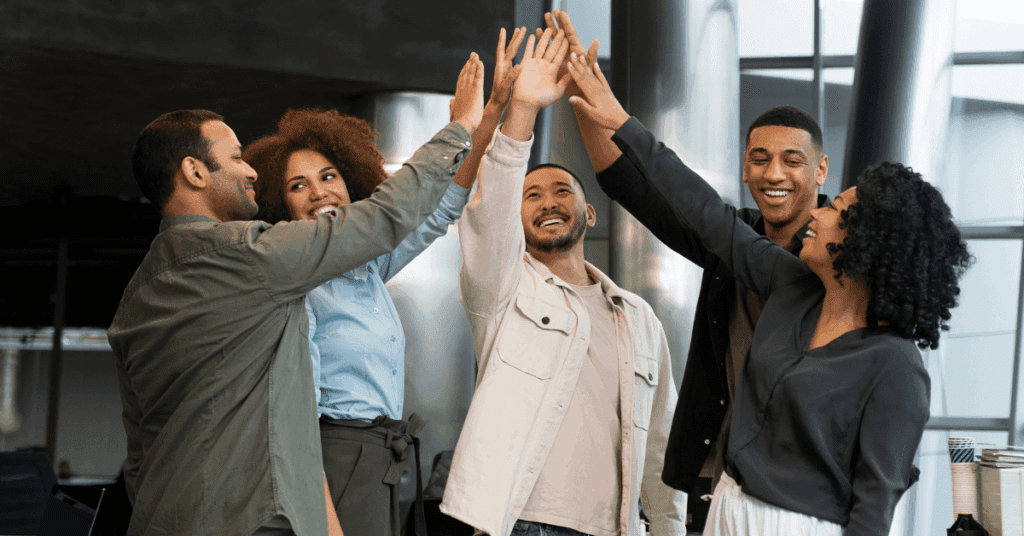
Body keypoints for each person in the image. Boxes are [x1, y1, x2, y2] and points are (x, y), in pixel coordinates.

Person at [565, 51, 972, 536]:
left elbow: (875, 501)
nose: (818, 216)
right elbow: (704, 210)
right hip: (726, 505)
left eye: (836, 210)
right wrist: (622, 122)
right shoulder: (789, 282)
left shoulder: (897, 364)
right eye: (760, 159)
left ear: (867, 246)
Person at [108, 55, 484, 536]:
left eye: (329, 177)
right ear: (195, 171)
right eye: (237, 156)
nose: (249, 172)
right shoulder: (255, 258)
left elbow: (140, 447)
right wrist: (459, 127)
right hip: (256, 514)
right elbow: (383, 218)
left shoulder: (134, 299)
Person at [241, 32, 524, 536]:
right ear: (280, 205)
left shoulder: (365, 265)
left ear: (351, 179)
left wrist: (488, 117)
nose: (319, 192)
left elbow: (440, 208)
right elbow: (293, 417)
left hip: (378, 457)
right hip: (330, 456)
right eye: (297, 185)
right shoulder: (295, 282)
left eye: (329, 176)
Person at [543, 10, 833, 501]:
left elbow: (703, 212)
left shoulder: (834, 255)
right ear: (745, 167)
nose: (774, 174)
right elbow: (630, 187)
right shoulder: (733, 236)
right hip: (714, 481)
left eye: (793, 160)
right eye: (760, 159)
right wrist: (583, 100)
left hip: (794, 486)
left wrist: (621, 119)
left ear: (822, 170)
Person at [439, 25, 686, 536]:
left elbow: (662, 439)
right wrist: (522, 111)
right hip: (522, 523)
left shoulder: (639, 318)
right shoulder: (502, 289)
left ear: (589, 215)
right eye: (532, 196)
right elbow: (493, 205)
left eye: (561, 191)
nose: (548, 201)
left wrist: (668, 527)